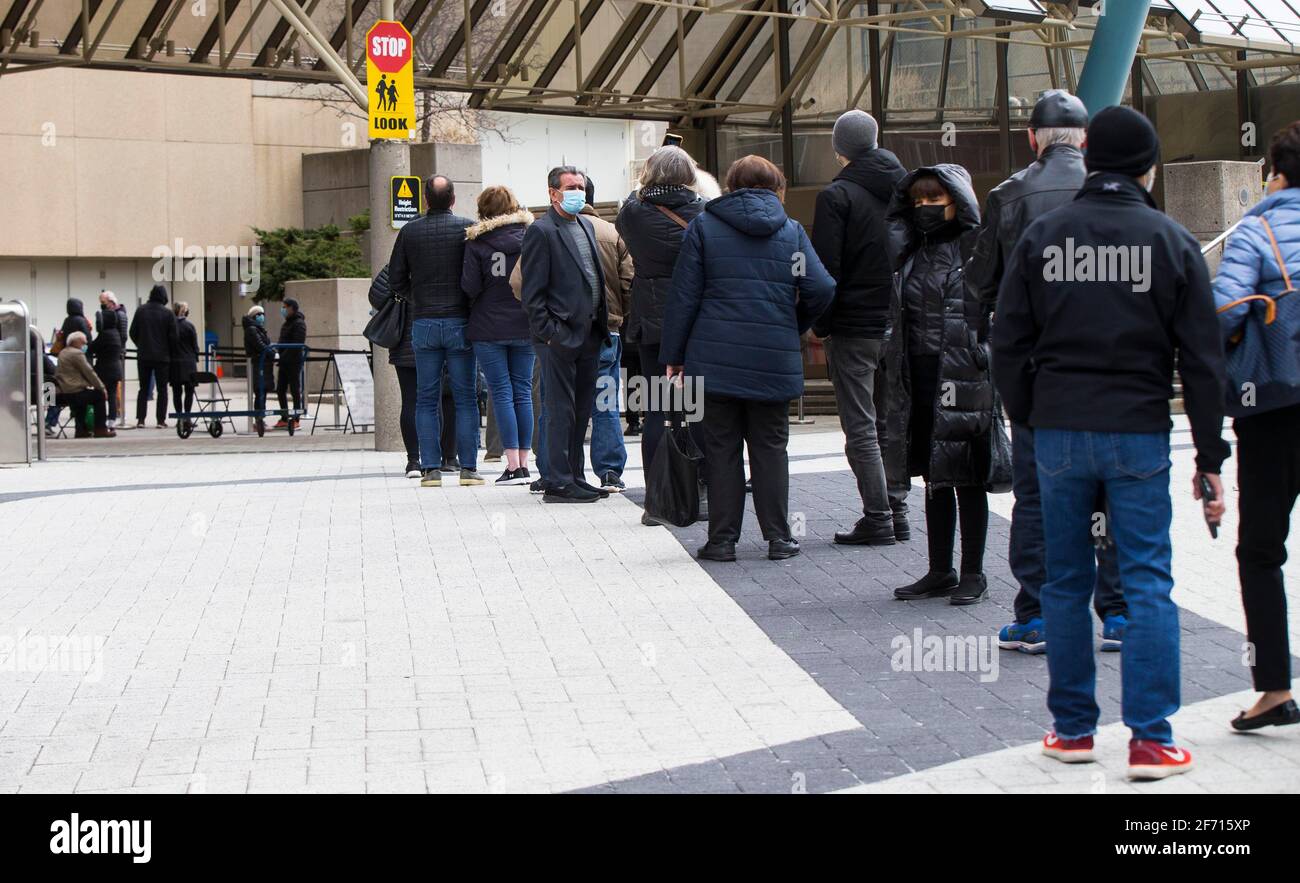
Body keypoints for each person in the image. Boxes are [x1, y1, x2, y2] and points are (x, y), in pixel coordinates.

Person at [992, 105, 1230, 780]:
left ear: (1090, 158)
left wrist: (1030, 413)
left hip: (1060, 429)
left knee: (1064, 582)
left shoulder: (1045, 234)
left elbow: (1007, 341)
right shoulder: (1172, 239)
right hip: (1138, 433)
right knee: (1148, 582)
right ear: (1149, 166)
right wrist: (1210, 456)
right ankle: (1152, 740)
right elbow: (1204, 362)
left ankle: (1072, 729)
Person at [965, 89, 1127, 655]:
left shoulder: (1009, 195)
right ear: (1085, 140)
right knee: (1110, 490)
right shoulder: (1120, 192)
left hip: (1037, 373)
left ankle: (1035, 614)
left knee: (1036, 494)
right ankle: (1119, 612)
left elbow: (977, 286)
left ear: (1032, 138)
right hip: (1112, 368)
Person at [660, 155, 835, 561]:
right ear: (777, 187)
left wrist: (675, 355)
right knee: (771, 448)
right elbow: (822, 287)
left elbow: (683, 297)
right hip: (773, 359)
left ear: (730, 186)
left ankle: (723, 540)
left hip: (713, 357)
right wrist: (792, 324)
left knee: (721, 450)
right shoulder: (790, 231)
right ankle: (779, 538)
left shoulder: (704, 226)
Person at [1213, 120, 1300, 732]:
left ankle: (1273, 689)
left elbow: (1223, 310)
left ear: (1277, 173)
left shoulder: (1259, 227)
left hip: (1276, 409)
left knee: (1261, 549)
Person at [882, 165, 992, 605]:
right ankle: (940, 569)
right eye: (918, 202)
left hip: (964, 377)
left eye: (935, 201)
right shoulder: (911, 253)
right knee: (933, 475)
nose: (925, 209)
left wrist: (983, 359)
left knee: (967, 476)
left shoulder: (976, 250)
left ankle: (973, 572)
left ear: (956, 203)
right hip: (920, 378)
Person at [811, 109, 908, 546]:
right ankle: (898, 508)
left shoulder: (837, 196)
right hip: (900, 321)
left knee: (861, 426)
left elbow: (826, 268)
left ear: (839, 149)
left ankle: (878, 516)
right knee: (889, 421)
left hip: (855, 324)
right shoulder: (906, 188)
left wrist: (823, 324)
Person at [615, 146, 708, 509]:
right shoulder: (703, 212)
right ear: (688, 175)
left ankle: (658, 494)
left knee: (655, 407)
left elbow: (627, 206)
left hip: (650, 321)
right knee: (695, 406)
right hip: (696, 321)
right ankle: (700, 489)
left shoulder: (632, 215)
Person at [520, 165, 610, 504]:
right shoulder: (541, 232)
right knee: (559, 410)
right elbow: (532, 293)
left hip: (589, 334)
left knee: (581, 409)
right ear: (553, 193)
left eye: (581, 186)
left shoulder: (585, 225)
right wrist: (550, 334)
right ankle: (557, 481)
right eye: (571, 187)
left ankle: (575, 474)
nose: (578, 192)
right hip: (558, 338)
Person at [387, 174, 480, 487]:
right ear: (453, 199)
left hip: (424, 322)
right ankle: (468, 468)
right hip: (460, 322)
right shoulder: (467, 229)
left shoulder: (409, 232)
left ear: (425, 199)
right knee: (466, 398)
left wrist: (418, 298)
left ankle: (430, 469)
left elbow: (395, 279)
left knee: (425, 398)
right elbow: (474, 278)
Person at [462, 185, 535, 486]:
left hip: (488, 327)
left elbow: (469, 286)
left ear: (483, 210)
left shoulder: (476, 242)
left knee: (501, 392)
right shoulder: (531, 237)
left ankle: (512, 465)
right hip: (526, 324)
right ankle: (526, 464)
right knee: (523, 391)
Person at [580, 176, 634, 493]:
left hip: (563, 334)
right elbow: (629, 281)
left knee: (560, 405)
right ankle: (610, 471)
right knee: (605, 401)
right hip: (606, 331)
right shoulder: (612, 233)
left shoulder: (548, 231)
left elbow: (523, 284)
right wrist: (618, 316)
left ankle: (558, 470)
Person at [368, 264, 421, 477]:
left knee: (410, 400)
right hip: (435, 334)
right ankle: (435, 459)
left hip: (403, 339)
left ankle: (413, 461)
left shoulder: (401, 261)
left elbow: (376, 296)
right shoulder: (445, 255)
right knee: (433, 401)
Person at [129, 284, 178, 428]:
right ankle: (160, 420)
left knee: (143, 388)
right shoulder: (168, 314)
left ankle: (141, 420)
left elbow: (132, 332)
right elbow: (174, 337)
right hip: (162, 357)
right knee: (162, 389)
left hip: (144, 355)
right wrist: (169, 350)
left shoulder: (141, 310)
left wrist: (141, 344)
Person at [53, 331, 115, 438]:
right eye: (84, 343)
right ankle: (100, 429)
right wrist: (101, 387)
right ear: (76, 342)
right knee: (98, 396)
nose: (85, 345)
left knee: (83, 399)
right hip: (74, 391)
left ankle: (81, 430)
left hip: (64, 392)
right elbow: (89, 372)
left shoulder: (63, 352)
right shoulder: (76, 354)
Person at [91, 292, 128, 429]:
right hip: (116, 368)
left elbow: (92, 348)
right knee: (112, 394)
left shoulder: (104, 335)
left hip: (103, 370)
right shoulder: (116, 335)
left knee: (100, 394)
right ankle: (112, 419)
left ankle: (100, 421)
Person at [274, 297, 307, 430]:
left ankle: (296, 418)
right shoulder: (286, 323)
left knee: (294, 390)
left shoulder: (299, 323)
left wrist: (284, 357)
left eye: (285, 307)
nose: (283, 309)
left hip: (293, 362)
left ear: (292, 308)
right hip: (283, 362)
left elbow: (297, 344)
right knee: (280, 389)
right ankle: (284, 416)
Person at [242, 304, 275, 433]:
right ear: (254, 316)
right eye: (259, 315)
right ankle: (258, 420)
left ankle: (260, 419)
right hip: (258, 365)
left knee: (263, 392)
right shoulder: (252, 329)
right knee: (260, 393)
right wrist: (272, 353)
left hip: (264, 364)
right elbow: (260, 345)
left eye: (263, 314)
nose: (262, 317)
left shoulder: (258, 329)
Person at [171, 301, 199, 430]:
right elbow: (195, 345)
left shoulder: (171, 326)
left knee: (177, 392)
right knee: (189, 391)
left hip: (175, 362)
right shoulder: (189, 326)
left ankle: (179, 417)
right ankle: (187, 417)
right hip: (189, 362)